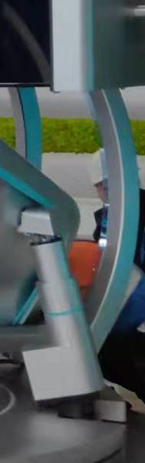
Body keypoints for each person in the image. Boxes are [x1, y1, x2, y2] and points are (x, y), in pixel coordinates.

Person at [85, 150, 145, 401]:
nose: (106, 190)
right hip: (122, 309)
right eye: (102, 185)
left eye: (110, 184)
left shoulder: (131, 213)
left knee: (99, 349)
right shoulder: (107, 218)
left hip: (132, 311)